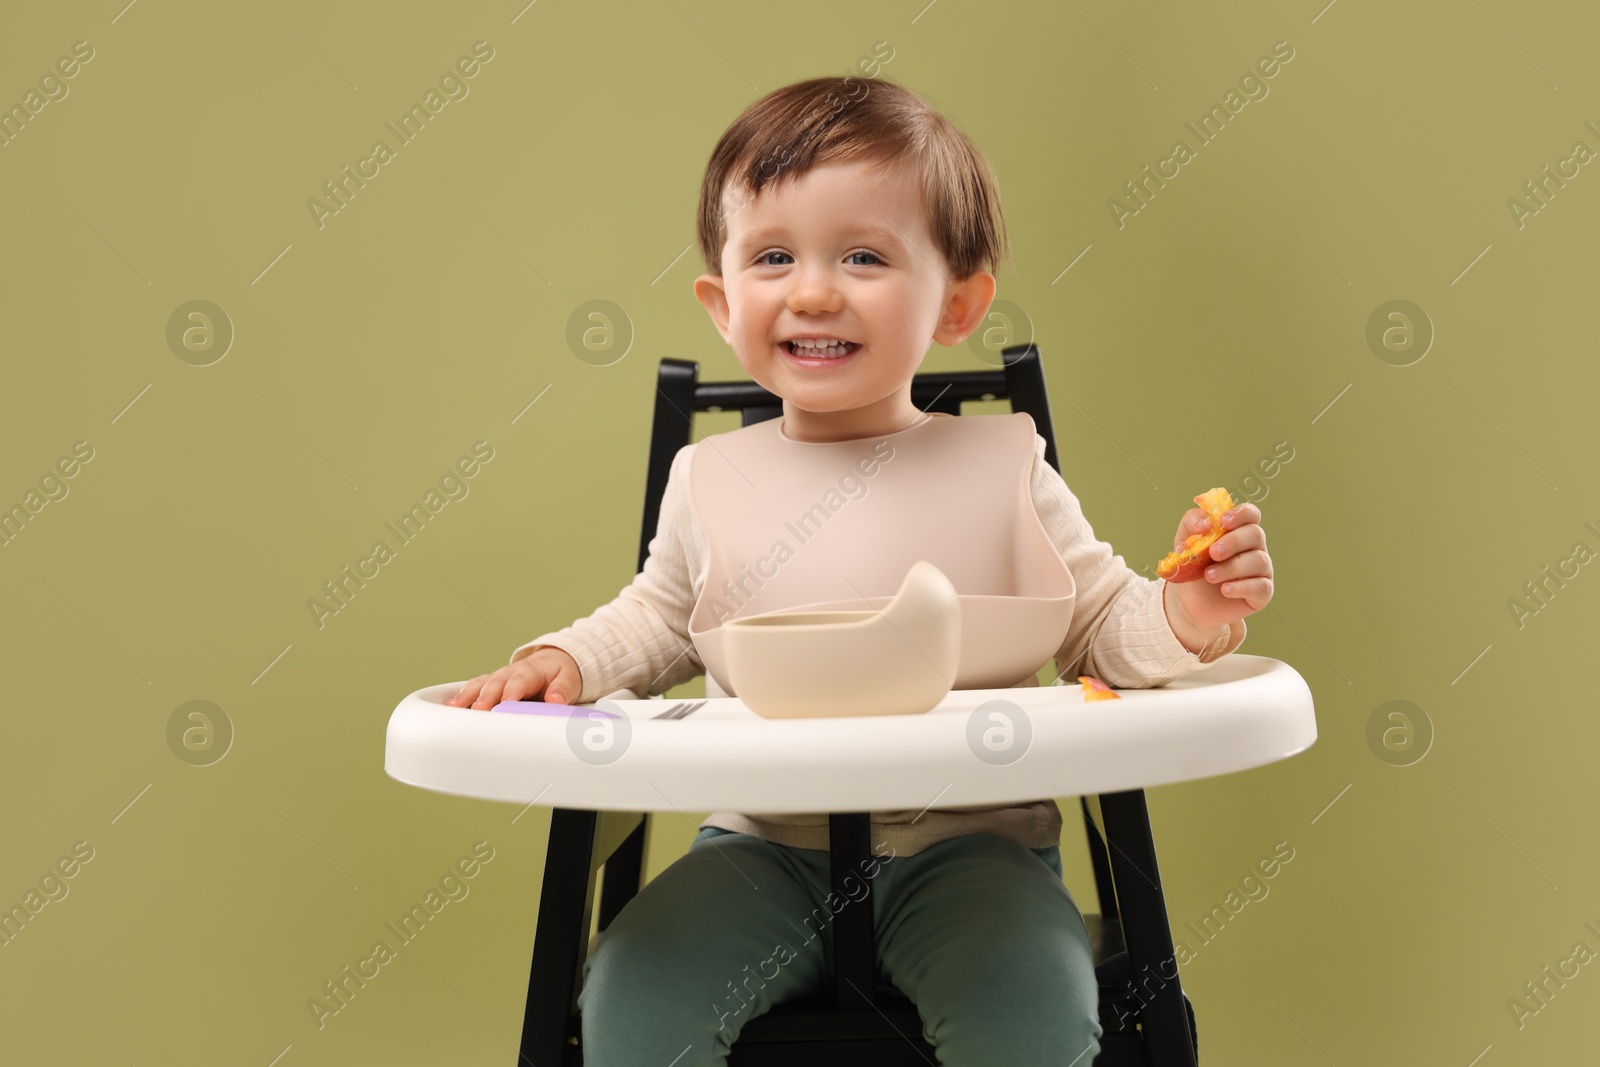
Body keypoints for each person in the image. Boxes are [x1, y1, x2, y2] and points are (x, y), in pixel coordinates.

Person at [447, 74, 1274, 1066]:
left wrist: (1186, 609)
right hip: (761, 850)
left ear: (957, 301)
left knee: (1033, 1011)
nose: (812, 290)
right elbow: (657, 618)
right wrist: (566, 661)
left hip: (975, 850)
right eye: (772, 257)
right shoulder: (710, 475)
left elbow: (1102, 621)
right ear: (720, 301)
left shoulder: (1004, 464)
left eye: (863, 255)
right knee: (632, 995)